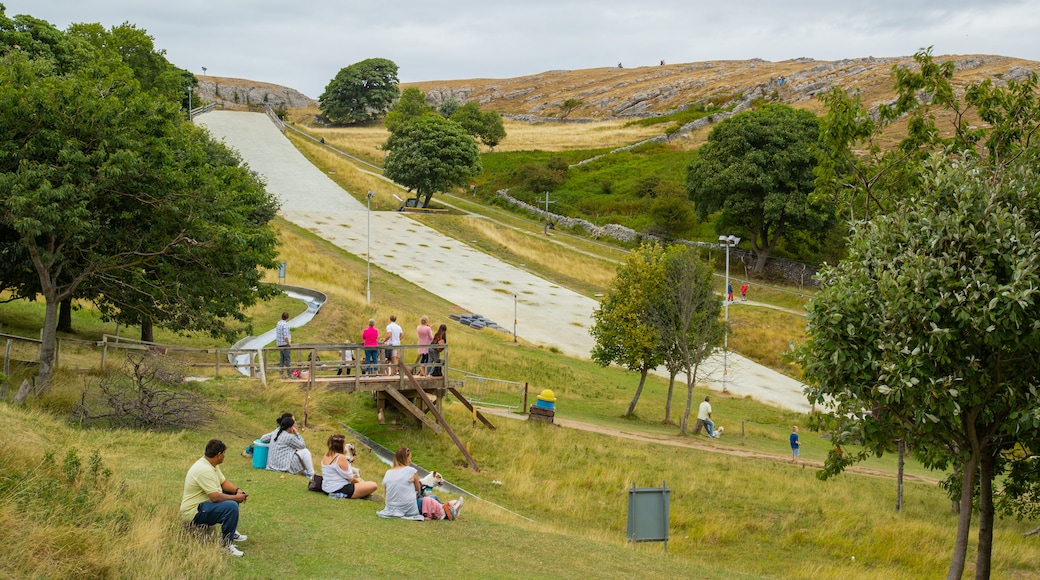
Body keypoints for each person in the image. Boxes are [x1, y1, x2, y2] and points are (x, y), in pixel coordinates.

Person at [180, 439, 249, 556]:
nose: (224, 456)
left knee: (231, 495)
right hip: (193, 511)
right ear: (219, 454)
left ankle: (231, 532)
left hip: (204, 505)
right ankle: (226, 545)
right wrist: (236, 499)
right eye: (224, 453)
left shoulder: (211, 464)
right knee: (231, 506)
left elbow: (223, 483)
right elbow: (215, 497)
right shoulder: (204, 469)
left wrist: (238, 491)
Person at [376, 447, 425, 520]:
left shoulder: (388, 472)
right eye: (410, 458)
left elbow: (386, 492)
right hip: (408, 507)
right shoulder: (412, 471)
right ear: (406, 458)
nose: (410, 461)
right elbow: (418, 490)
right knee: (432, 498)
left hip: (390, 506)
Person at [276, 311, 292, 378]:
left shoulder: (278, 323)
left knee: (282, 359)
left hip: (279, 344)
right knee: (287, 359)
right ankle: (289, 374)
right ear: (287, 317)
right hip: (285, 344)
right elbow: (285, 336)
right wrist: (289, 343)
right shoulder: (285, 325)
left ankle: (281, 374)